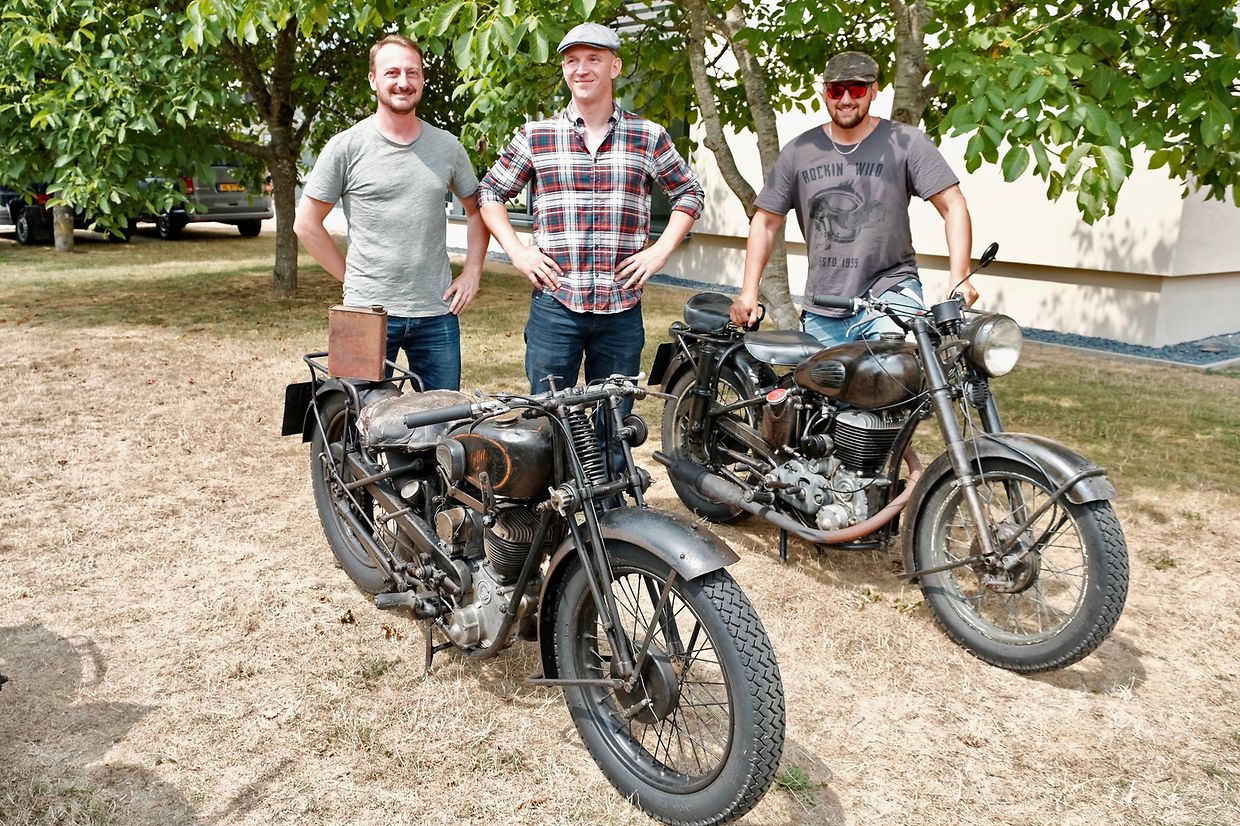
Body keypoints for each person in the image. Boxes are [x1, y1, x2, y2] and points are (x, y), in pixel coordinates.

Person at [477, 22, 705, 412]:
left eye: (593, 59)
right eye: (572, 61)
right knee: (549, 421)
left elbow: (689, 192)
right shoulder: (536, 136)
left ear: (614, 67)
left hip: (621, 306)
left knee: (614, 426)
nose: (581, 69)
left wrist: (660, 251)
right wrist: (517, 252)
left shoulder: (648, 136)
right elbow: (490, 192)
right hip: (556, 303)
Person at [731, 50, 976, 346]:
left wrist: (960, 278)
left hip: (890, 293)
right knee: (820, 378)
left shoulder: (906, 143)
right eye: (836, 90)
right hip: (823, 305)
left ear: (873, 91)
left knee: (896, 371)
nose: (846, 100)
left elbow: (953, 204)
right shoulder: (799, 152)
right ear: (825, 92)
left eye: (857, 89)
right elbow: (765, 222)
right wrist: (749, 291)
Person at [294, 34, 489, 391]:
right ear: (373, 80)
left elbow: (478, 211)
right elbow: (306, 224)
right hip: (365, 314)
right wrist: (350, 278)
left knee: (444, 416)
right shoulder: (345, 147)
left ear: (422, 80)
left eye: (412, 73)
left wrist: (472, 272)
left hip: (436, 312)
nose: (403, 82)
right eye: (392, 72)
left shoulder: (447, 147)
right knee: (354, 418)